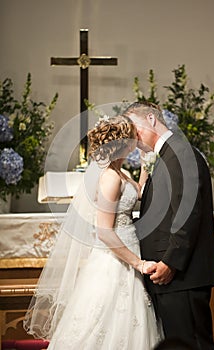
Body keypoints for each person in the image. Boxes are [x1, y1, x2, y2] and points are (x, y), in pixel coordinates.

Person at [23, 115, 162, 349]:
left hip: (128, 249)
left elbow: (137, 193)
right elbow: (105, 232)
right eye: (132, 137)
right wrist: (138, 263)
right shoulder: (109, 178)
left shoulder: (120, 172)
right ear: (123, 143)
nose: (137, 140)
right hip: (116, 259)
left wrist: (146, 165)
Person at [123, 101, 214, 349]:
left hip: (181, 275)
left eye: (135, 128)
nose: (133, 137)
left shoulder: (179, 153)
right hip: (171, 278)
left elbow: (187, 213)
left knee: (193, 344)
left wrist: (170, 263)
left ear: (152, 119)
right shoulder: (168, 153)